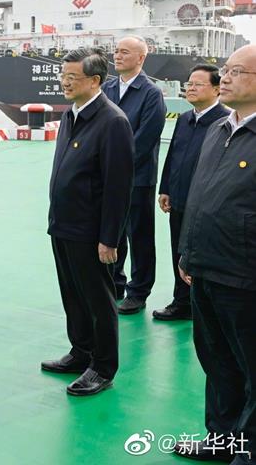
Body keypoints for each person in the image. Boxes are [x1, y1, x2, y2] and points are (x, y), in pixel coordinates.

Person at [174, 45, 256, 463]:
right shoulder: (218, 129)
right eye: (225, 70)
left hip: (244, 276)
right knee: (217, 362)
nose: (225, 78)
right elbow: (200, 195)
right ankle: (223, 440)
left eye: (237, 71)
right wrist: (187, 252)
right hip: (205, 269)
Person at [41, 47, 133, 396]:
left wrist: (110, 237)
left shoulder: (112, 122)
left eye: (72, 77)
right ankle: (80, 351)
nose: (64, 83)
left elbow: (118, 187)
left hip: (91, 231)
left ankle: (103, 367)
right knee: (73, 295)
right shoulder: (71, 115)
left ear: (95, 81)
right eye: (62, 76)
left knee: (98, 300)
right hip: (63, 224)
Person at [154, 65, 229, 321]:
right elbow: (173, 154)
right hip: (179, 199)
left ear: (217, 89)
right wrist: (165, 188)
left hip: (205, 204)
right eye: (189, 83)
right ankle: (182, 302)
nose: (190, 88)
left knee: (202, 255)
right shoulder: (185, 118)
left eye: (198, 84)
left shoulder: (223, 121)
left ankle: (202, 305)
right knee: (178, 250)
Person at [102, 35, 167, 314]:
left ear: (141, 58)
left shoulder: (151, 93)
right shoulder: (107, 88)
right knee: (112, 232)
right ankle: (114, 283)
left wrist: (117, 166)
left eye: (125, 52)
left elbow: (146, 138)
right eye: (116, 51)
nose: (117, 56)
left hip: (138, 178)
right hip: (109, 176)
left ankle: (138, 291)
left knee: (139, 236)